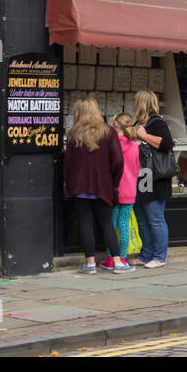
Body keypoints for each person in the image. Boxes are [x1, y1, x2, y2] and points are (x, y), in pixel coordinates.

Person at [63, 98, 133, 274]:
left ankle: (90, 264)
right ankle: (117, 263)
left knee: (86, 224)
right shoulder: (108, 132)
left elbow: (68, 164)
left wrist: (68, 183)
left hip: (79, 187)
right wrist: (114, 183)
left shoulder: (73, 134)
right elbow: (118, 161)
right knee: (107, 223)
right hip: (103, 186)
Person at [133, 89, 174, 268]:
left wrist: (143, 136)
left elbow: (166, 144)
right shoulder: (139, 123)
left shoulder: (158, 123)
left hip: (156, 178)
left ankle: (159, 257)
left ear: (141, 103)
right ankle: (146, 254)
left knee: (155, 218)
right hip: (143, 176)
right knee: (142, 218)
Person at [100, 113, 141, 269]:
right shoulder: (134, 145)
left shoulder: (112, 143)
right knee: (123, 225)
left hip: (115, 191)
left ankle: (110, 259)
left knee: (111, 225)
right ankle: (122, 259)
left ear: (116, 124)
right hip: (130, 191)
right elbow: (137, 170)